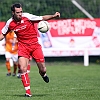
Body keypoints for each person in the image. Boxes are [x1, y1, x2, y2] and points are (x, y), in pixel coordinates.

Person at [0, 3, 60, 97]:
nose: (20, 14)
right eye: (18, 12)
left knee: (43, 69)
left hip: (35, 46)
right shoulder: (10, 23)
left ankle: (43, 75)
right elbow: (3, 34)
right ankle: (28, 92)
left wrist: (53, 16)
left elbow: (42, 18)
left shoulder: (27, 17)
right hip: (23, 47)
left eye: (21, 12)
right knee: (23, 68)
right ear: (13, 13)